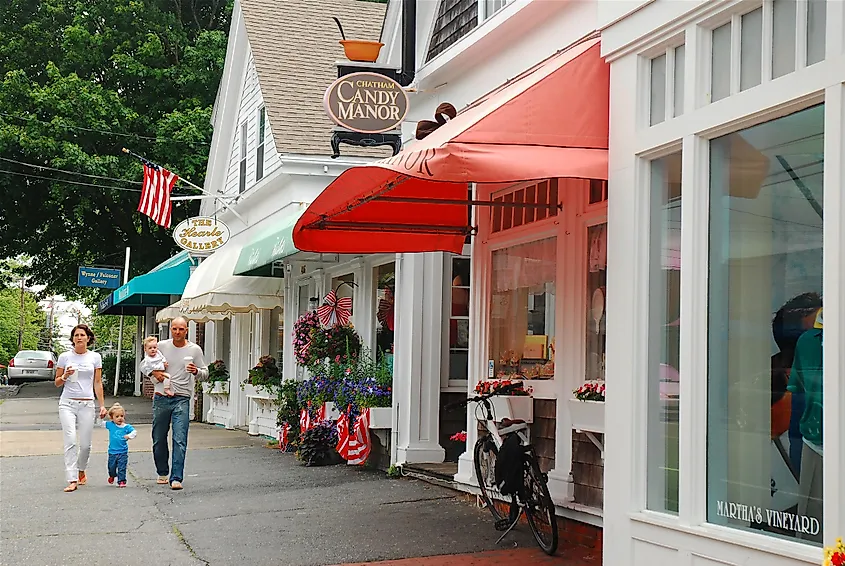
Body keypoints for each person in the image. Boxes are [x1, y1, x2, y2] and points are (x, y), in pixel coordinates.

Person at [152, 317, 208, 490]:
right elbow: (145, 365)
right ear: (171, 330)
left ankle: (176, 477)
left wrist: (196, 371)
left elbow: (206, 373)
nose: (177, 332)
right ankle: (162, 471)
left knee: (179, 438)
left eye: (181, 329)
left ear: (186, 330)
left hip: (182, 397)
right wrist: (155, 373)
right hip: (161, 396)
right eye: (174, 329)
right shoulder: (161, 346)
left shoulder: (194, 349)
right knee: (158, 438)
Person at [55, 324, 107, 492]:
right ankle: (72, 478)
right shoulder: (65, 357)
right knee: (70, 440)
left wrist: (102, 405)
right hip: (67, 403)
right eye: (76, 335)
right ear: (72, 339)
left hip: (87, 403)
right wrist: (65, 376)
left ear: (88, 338)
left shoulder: (95, 357)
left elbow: (97, 382)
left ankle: (81, 469)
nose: (79, 338)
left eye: (82, 335)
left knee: (85, 445)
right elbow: (57, 382)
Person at [98, 402, 137, 487]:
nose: (120, 418)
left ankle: (122, 481)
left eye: (121, 416)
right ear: (112, 418)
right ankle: (112, 475)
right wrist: (101, 418)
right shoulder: (111, 425)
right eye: (117, 416)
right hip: (112, 452)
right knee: (111, 467)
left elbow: (134, 432)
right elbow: (100, 424)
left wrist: (129, 436)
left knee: (122, 467)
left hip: (122, 452)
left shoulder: (126, 427)